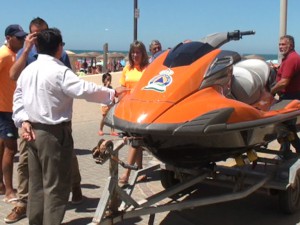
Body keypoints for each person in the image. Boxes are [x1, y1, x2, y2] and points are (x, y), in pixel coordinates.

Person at [12, 28, 118, 225]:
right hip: (53, 134)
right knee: (56, 187)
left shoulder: (28, 70)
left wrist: (23, 120)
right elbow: (84, 89)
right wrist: (112, 94)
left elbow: (18, 97)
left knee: (36, 185)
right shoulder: (59, 71)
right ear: (59, 47)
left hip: (32, 131)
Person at [5, 17, 82, 224]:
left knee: (61, 164)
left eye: (42, 33)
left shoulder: (60, 56)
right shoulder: (25, 52)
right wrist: (28, 48)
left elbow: (69, 82)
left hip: (53, 119)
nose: (39, 37)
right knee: (29, 169)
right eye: (35, 34)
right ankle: (25, 205)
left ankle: (76, 187)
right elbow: (14, 76)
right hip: (28, 120)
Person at [0, 25, 27, 205]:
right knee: (11, 149)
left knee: (2, 149)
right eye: (19, 38)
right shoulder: (3, 55)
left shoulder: (15, 54)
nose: (22, 40)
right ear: (9, 38)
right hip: (4, 109)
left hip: (9, 107)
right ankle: (9, 191)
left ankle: (1, 185)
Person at [118, 40, 149, 184]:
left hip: (142, 109)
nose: (135, 55)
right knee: (135, 141)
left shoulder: (148, 69)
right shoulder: (127, 69)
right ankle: (140, 169)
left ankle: (127, 173)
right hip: (129, 108)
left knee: (135, 140)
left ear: (143, 54)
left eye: (138, 52)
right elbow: (122, 87)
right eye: (133, 52)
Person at [270, 35, 300, 155]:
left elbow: (284, 82)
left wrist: (270, 91)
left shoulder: (292, 59)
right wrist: (278, 69)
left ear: (291, 45)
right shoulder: (290, 58)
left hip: (290, 97)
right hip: (291, 96)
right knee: (288, 125)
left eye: (283, 44)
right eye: (279, 44)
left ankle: (293, 148)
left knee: (275, 119)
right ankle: (285, 151)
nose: (280, 47)